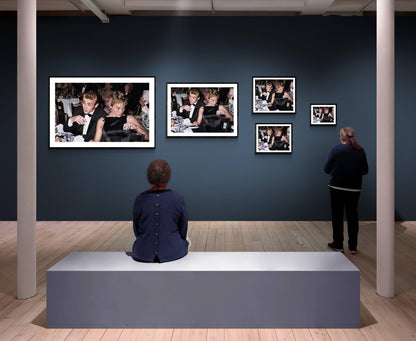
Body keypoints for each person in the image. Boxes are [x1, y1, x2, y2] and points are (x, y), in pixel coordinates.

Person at [132, 160, 189, 263]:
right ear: (168, 175)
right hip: (173, 252)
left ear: (149, 174)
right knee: (187, 240)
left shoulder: (139, 199)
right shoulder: (178, 198)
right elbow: (183, 230)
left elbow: (137, 230)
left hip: (142, 253)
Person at [324, 127, 368, 254]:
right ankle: (353, 247)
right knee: (353, 217)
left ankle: (338, 244)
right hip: (354, 189)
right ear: (353, 137)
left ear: (340, 138)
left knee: (337, 216)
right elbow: (365, 170)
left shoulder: (335, 150)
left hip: (336, 187)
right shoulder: (360, 150)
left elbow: (326, 169)